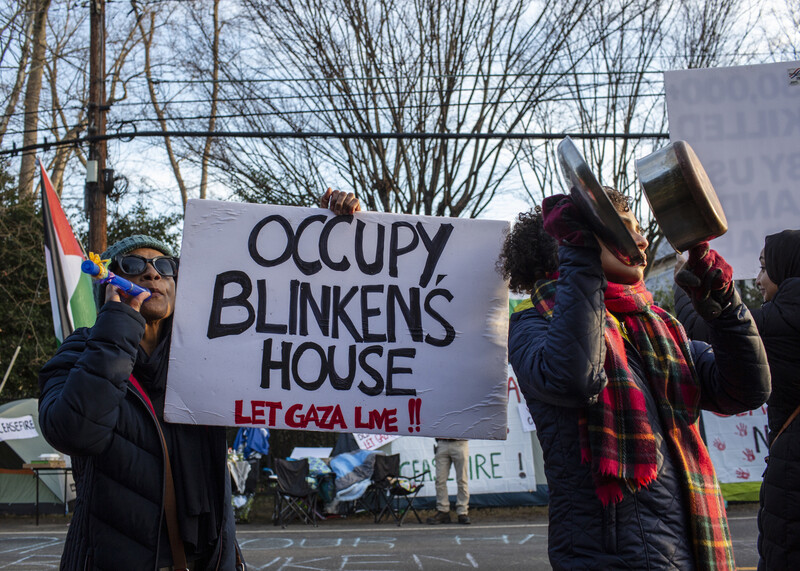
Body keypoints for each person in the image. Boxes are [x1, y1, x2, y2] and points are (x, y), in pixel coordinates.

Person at [38, 190, 359, 570]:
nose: (152, 273)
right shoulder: (80, 351)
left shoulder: (210, 356)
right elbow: (73, 431)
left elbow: (292, 310)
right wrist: (117, 327)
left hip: (207, 558)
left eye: (164, 267)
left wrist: (330, 233)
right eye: (133, 265)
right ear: (107, 284)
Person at [500, 191, 770, 570]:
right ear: (575, 239)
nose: (642, 241)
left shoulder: (660, 327)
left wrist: (725, 306)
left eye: (639, 229)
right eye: (623, 229)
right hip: (609, 558)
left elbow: (746, 390)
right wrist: (581, 259)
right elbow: (573, 378)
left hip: (691, 550)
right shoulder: (533, 323)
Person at [674, 229, 800, 570]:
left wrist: (686, 277)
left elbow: (698, 327)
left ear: (786, 266)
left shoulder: (786, 316)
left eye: (763, 267)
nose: (758, 279)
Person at [426, 438, 470, 524]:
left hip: (460, 442)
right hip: (442, 442)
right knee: (440, 480)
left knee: (462, 479)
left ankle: (462, 512)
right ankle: (443, 510)